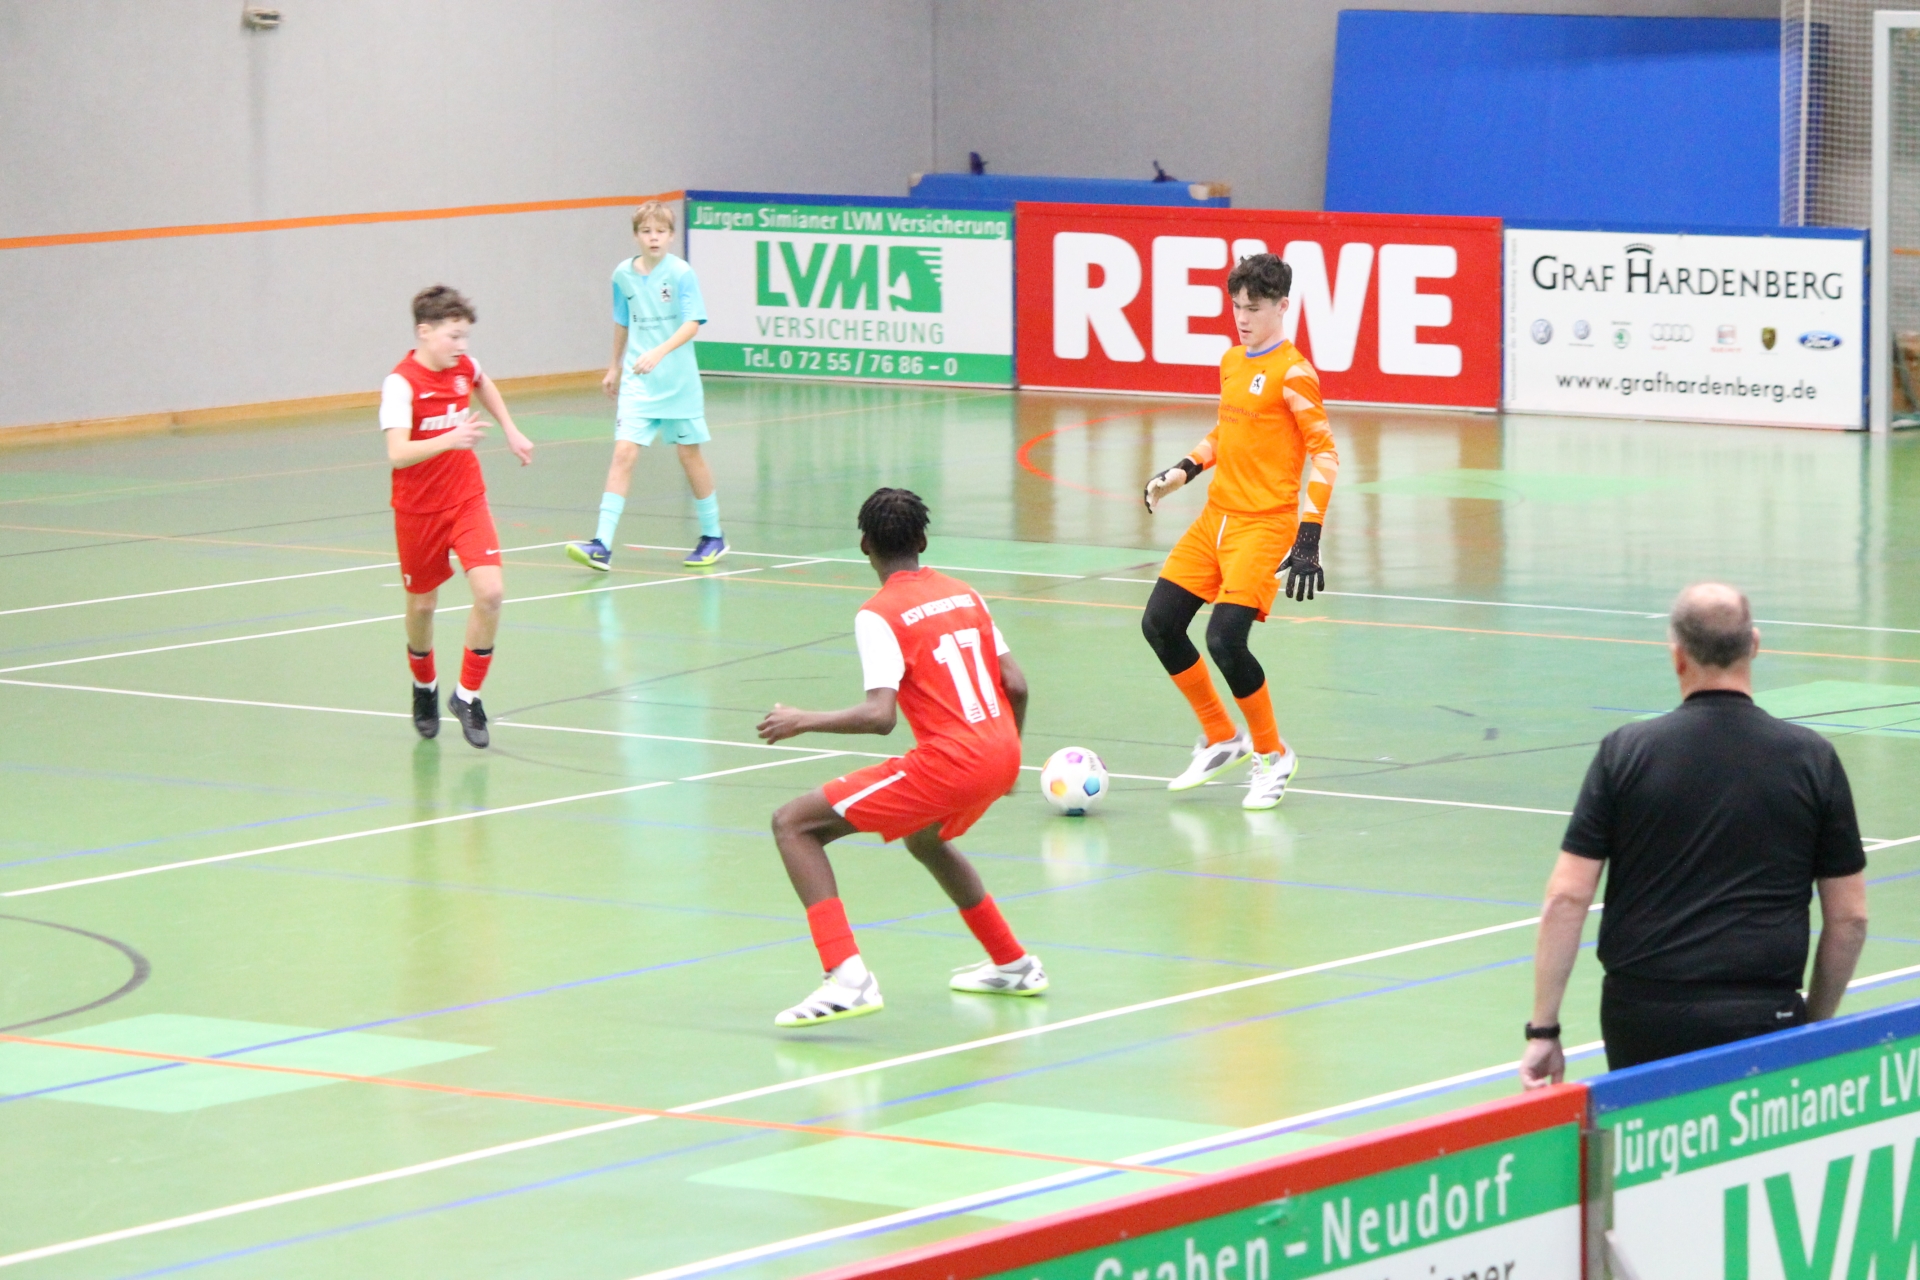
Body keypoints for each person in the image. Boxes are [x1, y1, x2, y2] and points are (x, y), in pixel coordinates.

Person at [1520, 583, 1869, 1084]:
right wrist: (1811, 1024)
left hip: (1643, 1014)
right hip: (1764, 1012)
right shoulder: (1811, 758)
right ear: (1754, 644)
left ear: (1677, 655)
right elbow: (1850, 918)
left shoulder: (1626, 752)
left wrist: (1543, 1030)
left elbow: (1566, 898)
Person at [755, 488, 1046, 1027]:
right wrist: (1010, 758)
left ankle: (847, 978)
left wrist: (803, 719)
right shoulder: (964, 594)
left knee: (793, 825)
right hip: (1003, 750)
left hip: (952, 763)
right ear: (923, 541)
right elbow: (1017, 684)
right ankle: (1013, 963)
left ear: (864, 544)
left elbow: (879, 715)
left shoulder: (879, 613)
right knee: (926, 839)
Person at [1138, 252, 1340, 810]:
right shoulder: (1231, 360)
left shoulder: (1294, 373)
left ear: (1282, 306)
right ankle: (1221, 737)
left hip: (1264, 526)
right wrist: (1183, 470)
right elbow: (1226, 432)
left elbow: (1325, 455)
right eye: (1236, 307)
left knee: (1225, 639)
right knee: (1160, 625)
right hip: (1215, 519)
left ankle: (1273, 755)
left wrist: (1308, 535)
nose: (1243, 318)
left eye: (1254, 308)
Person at [381, 286, 534, 749]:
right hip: (418, 509)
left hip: (466, 498)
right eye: (453, 336)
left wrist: (510, 429)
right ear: (424, 332)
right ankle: (424, 684)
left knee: (491, 592)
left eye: (465, 336)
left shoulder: (463, 366)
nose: (462, 346)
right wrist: (452, 437)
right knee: (422, 607)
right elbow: (397, 453)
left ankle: (467, 696)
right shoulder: (400, 383)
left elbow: (483, 382)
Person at [566, 201, 724, 572]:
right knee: (624, 453)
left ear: (671, 236)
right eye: (646, 231)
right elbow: (623, 320)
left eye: (661, 232)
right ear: (636, 236)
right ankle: (601, 544)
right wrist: (614, 366)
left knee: (689, 455)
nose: (654, 238)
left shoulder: (681, 273)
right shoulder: (622, 275)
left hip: (678, 382)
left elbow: (692, 323)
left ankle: (713, 535)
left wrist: (659, 352)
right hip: (639, 382)